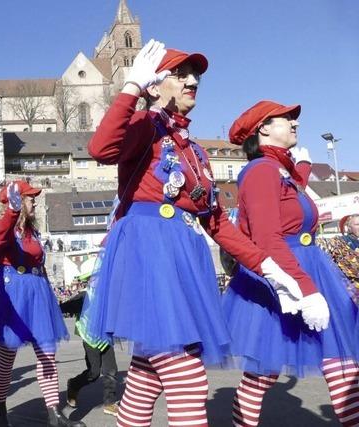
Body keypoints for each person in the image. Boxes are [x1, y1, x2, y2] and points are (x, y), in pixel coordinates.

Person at [83, 40, 307, 427]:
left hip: (180, 258)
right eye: (180, 73)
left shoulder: (196, 152)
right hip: (148, 252)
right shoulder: (144, 124)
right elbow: (101, 148)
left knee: (145, 376)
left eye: (196, 75)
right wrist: (132, 87)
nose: (192, 80)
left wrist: (269, 268)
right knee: (186, 375)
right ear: (156, 85)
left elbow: (217, 221)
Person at [223, 100, 359, 426]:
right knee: (264, 372)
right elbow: (268, 238)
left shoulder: (279, 170)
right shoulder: (260, 171)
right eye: (286, 118)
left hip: (309, 269)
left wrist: (304, 169)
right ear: (263, 129)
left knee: (342, 363)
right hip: (280, 276)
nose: (295, 123)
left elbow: (293, 202)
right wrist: (307, 289)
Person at [0, 181, 84, 427]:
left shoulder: (31, 230)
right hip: (14, 294)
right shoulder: (6, 227)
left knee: (47, 353)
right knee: (7, 355)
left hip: (38, 292)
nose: (35, 200)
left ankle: (54, 413)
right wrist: (11, 213)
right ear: (16, 201)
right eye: (29, 197)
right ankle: (0, 409)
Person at [60, 271, 119, 418]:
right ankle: (74, 384)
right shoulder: (84, 296)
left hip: (105, 338)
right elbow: (65, 307)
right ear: (90, 280)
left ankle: (109, 403)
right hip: (90, 338)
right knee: (93, 373)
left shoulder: (108, 296)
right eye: (97, 278)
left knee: (111, 370)